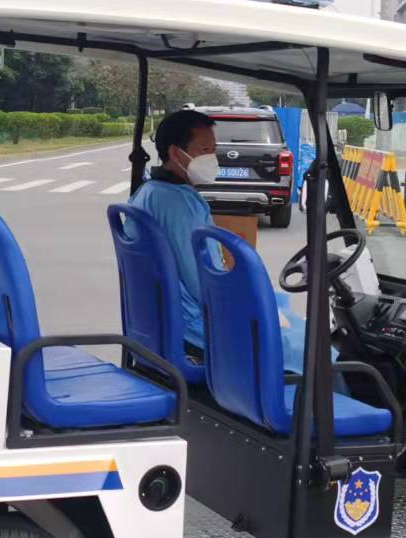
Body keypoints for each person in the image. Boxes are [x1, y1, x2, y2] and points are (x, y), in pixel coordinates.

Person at [127, 108, 311, 375]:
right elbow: (203, 283)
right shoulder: (177, 205)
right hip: (193, 327)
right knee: (310, 345)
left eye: (213, 150)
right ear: (176, 153)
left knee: (281, 311)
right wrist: (252, 308)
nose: (213, 158)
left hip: (164, 319)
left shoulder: (151, 192)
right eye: (204, 150)